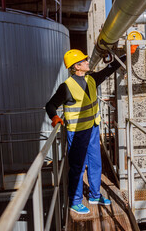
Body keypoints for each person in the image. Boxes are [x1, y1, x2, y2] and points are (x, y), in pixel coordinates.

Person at [46, 49, 126, 214]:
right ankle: (75, 201)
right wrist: (54, 117)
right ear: (77, 66)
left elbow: (110, 69)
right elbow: (51, 105)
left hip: (93, 129)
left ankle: (95, 195)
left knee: (96, 163)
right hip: (77, 133)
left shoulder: (91, 79)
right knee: (78, 167)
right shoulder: (66, 87)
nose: (87, 61)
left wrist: (126, 56)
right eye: (84, 60)